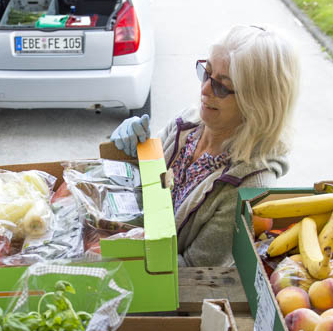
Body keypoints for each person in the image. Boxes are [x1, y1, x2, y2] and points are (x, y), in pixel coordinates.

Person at [111, 25, 300, 266]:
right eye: (206, 72)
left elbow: (195, 270)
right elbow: (145, 186)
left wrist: (123, 252)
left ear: (257, 102)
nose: (204, 89)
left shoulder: (248, 187)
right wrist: (132, 151)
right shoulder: (187, 124)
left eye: (222, 86)